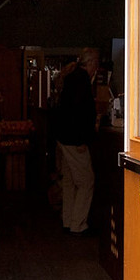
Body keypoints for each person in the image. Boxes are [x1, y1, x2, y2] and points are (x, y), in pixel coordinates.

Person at [53, 47, 101, 235]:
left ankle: (68, 220)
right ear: (91, 63)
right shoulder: (82, 81)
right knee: (86, 181)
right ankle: (78, 224)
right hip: (74, 139)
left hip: (63, 136)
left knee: (69, 181)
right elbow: (81, 113)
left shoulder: (71, 78)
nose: (96, 68)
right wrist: (83, 139)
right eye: (96, 63)